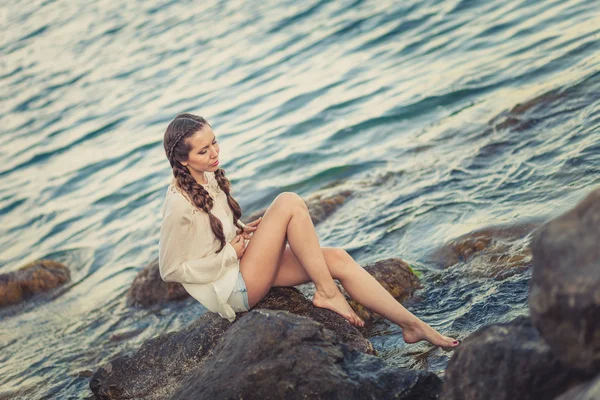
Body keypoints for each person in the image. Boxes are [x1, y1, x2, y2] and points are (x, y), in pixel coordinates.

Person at [158, 113, 460, 349]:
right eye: (203, 150)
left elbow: (210, 230)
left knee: (339, 259)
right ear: (183, 160)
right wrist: (228, 255)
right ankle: (327, 292)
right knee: (289, 202)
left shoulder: (206, 176)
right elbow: (170, 270)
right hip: (234, 287)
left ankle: (413, 326)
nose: (214, 152)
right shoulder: (178, 205)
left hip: (242, 265)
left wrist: (240, 231)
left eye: (214, 141)